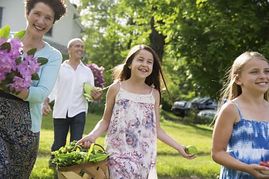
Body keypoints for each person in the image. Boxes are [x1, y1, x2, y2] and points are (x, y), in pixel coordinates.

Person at [77, 44, 195, 179]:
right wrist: (92, 136)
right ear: (129, 64)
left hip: (144, 160)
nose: (145, 64)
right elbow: (105, 121)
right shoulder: (116, 89)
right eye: (140, 59)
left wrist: (180, 148)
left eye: (149, 62)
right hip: (117, 157)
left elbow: (157, 130)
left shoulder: (154, 94)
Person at [0, 0, 66, 178]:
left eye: (48, 18)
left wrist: (8, 85)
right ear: (27, 13)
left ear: (52, 23)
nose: (41, 21)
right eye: (37, 14)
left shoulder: (52, 55)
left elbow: (41, 93)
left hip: (25, 130)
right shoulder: (5, 41)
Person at [211, 51, 269, 178]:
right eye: (254, 72)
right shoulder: (232, 109)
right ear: (238, 79)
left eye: (266, 71)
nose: (263, 76)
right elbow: (217, 153)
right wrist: (247, 168)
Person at [42, 38, 102, 157]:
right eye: (77, 46)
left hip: (79, 111)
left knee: (76, 143)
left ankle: (72, 167)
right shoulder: (60, 68)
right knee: (58, 143)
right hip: (61, 110)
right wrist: (46, 101)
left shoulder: (87, 71)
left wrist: (95, 96)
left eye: (82, 47)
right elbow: (53, 88)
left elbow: (90, 93)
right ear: (69, 49)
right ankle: (55, 165)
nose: (80, 49)